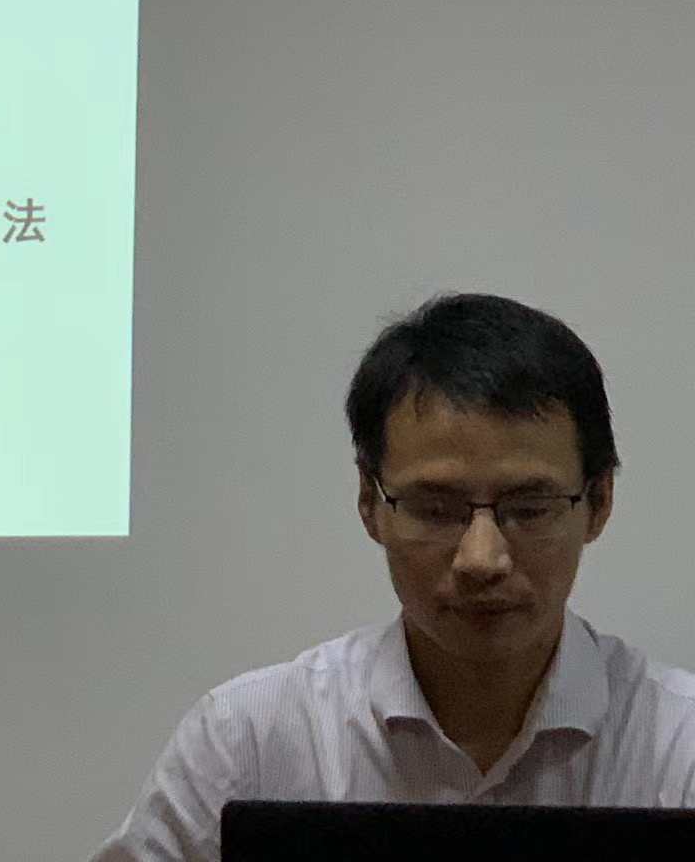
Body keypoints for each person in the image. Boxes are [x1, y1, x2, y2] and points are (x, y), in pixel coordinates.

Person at [90, 292, 695, 861]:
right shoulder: (248, 741)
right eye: (436, 509)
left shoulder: (679, 745)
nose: (481, 559)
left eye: (530, 508)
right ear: (368, 501)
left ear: (600, 501)